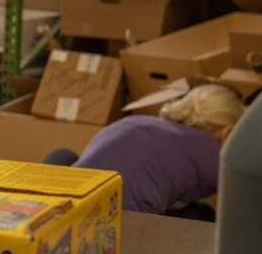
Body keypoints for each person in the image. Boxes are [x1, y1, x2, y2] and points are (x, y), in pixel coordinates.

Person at [50, 84, 246, 217]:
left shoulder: (141, 121)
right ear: (227, 134)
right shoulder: (214, 153)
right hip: (114, 237)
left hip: (61, 209)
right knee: (202, 215)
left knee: (63, 156)